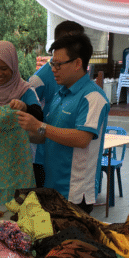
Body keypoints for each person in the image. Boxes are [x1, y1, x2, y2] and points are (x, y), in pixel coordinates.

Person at [16, 34, 109, 215]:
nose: (53, 70)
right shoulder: (61, 94)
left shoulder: (92, 97)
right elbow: (46, 136)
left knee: (69, 242)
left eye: (58, 64)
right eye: (52, 64)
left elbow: (82, 139)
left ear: (77, 63)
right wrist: (19, 130)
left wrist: (39, 126)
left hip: (75, 192)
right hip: (53, 187)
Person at [29, 21, 85, 187]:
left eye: (77, 43)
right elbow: (30, 117)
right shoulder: (39, 80)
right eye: (67, 42)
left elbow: (82, 138)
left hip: (66, 159)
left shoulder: (84, 86)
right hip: (42, 157)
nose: (72, 47)